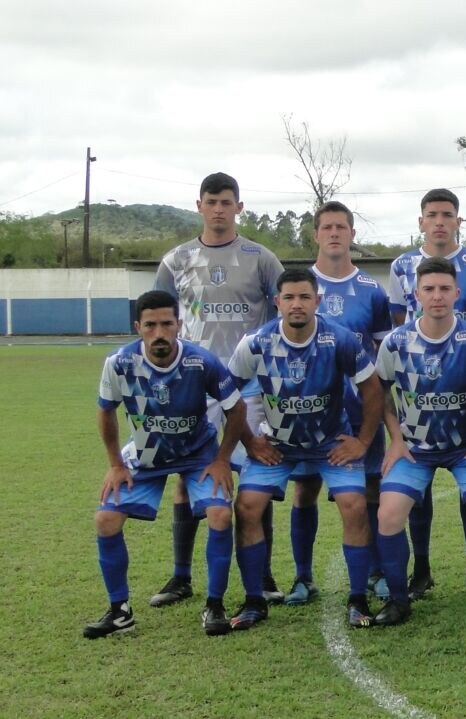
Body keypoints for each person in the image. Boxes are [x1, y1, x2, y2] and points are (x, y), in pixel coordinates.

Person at [153, 171, 285, 607]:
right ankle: (180, 576)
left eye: (226, 202)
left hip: (250, 386)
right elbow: (159, 318)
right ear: (199, 206)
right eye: (211, 202)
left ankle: (262, 574)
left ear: (239, 207)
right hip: (195, 386)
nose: (218, 209)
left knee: (256, 477)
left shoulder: (260, 258)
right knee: (186, 475)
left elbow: (284, 309)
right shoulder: (176, 260)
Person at [226, 269, 385, 630]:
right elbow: (227, 392)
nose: (296, 304)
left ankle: (357, 599)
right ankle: (254, 600)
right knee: (247, 506)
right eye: (289, 298)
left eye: (304, 297)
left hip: (330, 443)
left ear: (317, 301)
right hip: (277, 445)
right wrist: (250, 440)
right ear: (277, 302)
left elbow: (373, 389)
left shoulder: (339, 340)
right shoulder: (255, 343)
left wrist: (362, 441)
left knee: (354, 504)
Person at [85, 291, 246, 638]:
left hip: (198, 453)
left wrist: (222, 459)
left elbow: (236, 408)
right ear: (138, 327)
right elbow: (106, 410)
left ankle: (214, 605)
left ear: (179, 324)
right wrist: (115, 465)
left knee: (220, 514)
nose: (159, 333)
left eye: (166, 324)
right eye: (150, 325)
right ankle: (119, 611)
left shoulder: (201, 362)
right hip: (146, 454)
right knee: (105, 519)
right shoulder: (119, 363)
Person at [372, 257, 466, 626]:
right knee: (388, 514)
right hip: (414, 449)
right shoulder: (396, 342)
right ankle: (399, 600)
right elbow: (380, 391)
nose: (437, 296)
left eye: (445, 289)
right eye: (429, 289)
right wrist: (395, 439)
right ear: (417, 294)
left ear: (457, 293)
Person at [277, 202, 393, 606]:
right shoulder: (299, 287)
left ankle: (376, 571)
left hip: (361, 411)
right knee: (305, 489)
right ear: (315, 234)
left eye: (341, 227)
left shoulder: (372, 290)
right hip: (307, 414)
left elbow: (381, 356)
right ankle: (303, 577)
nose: (334, 234)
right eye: (326, 227)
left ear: (352, 234)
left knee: (371, 488)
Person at [389, 189, 466, 598]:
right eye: (431, 214)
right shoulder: (401, 265)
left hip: (464, 383)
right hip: (418, 388)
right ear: (421, 221)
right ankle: (421, 569)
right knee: (416, 491)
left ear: (458, 221)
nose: (439, 221)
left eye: (447, 215)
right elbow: (398, 323)